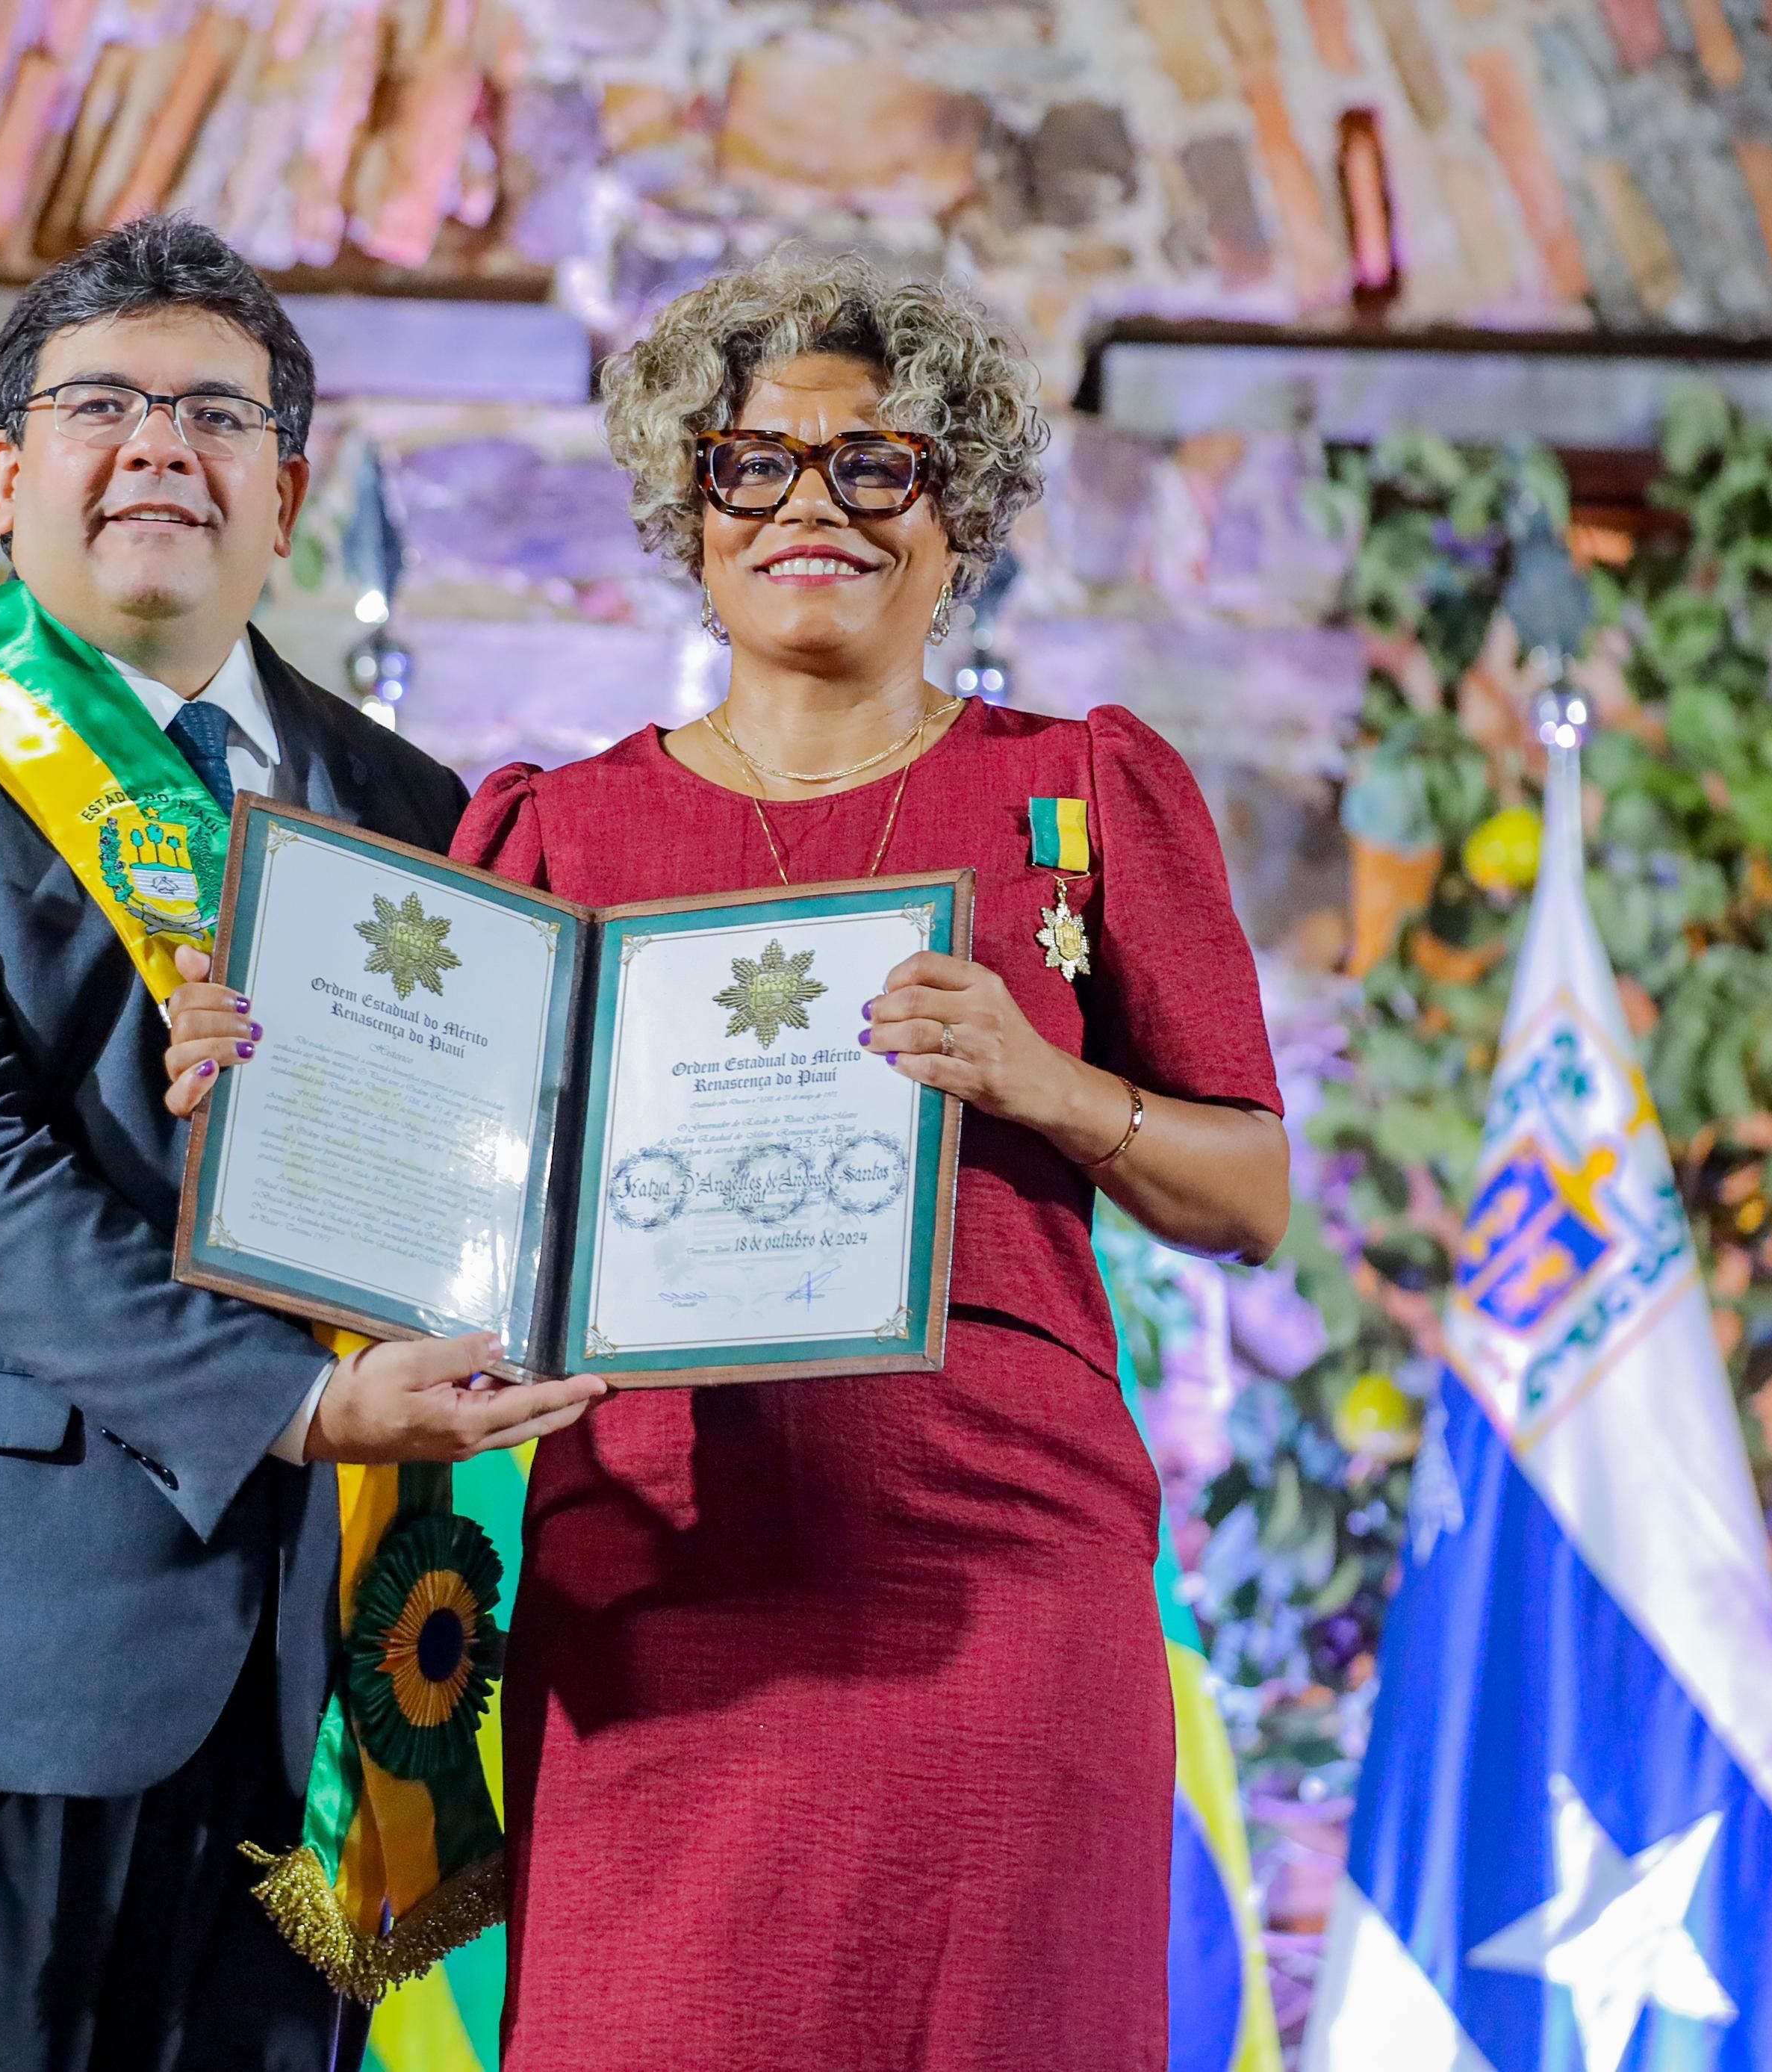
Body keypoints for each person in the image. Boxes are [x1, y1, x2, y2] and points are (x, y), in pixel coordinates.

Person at [167, 248, 1290, 2068]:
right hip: (658, 1581)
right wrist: (264, 1094)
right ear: (687, 516)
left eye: (877, 466)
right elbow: (442, 1230)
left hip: (999, 1590)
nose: (808, 508)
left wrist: (1042, 1084)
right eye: (750, 466)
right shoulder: (554, 826)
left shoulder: (1078, 791)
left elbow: (1248, 1196)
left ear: (964, 511)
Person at [0, 216, 600, 2072]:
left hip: (299, 1693)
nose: (161, 443)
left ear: (287, 491)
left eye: (217, 414)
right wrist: (311, 1404)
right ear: (8, 475)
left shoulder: (418, 809)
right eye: (103, 402)